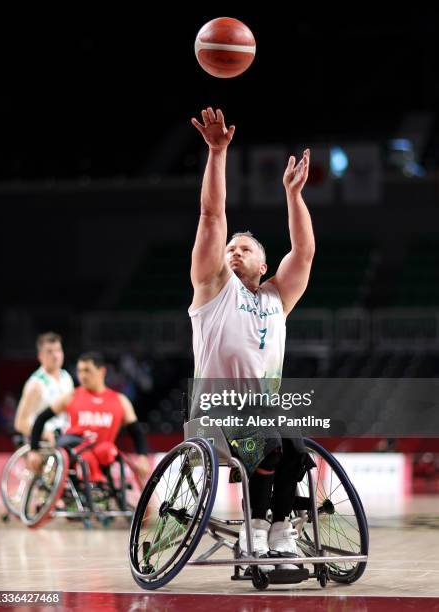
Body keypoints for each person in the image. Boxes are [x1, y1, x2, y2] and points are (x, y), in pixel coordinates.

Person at [190, 107, 315, 569]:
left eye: (246, 249)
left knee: (294, 444)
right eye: (231, 249)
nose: (234, 251)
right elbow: (210, 214)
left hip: (262, 417)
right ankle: (255, 530)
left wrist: (293, 195)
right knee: (272, 439)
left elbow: (303, 251)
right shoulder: (212, 289)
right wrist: (217, 152)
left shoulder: (276, 299)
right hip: (215, 416)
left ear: (264, 266)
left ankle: (280, 532)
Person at [26, 352, 150, 484]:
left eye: (87, 371)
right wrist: (34, 450)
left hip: (102, 452)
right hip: (74, 450)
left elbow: (136, 432)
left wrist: (142, 456)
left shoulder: (120, 400)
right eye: (79, 371)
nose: (82, 376)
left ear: (102, 371)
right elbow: (41, 419)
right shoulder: (72, 396)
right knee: (84, 454)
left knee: (110, 450)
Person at [14, 332, 74, 445]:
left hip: (64, 436)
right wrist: (43, 433)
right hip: (44, 441)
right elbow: (20, 423)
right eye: (49, 352)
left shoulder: (66, 377)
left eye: (58, 350)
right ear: (40, 356)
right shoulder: (35, 384)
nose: (55, 356)